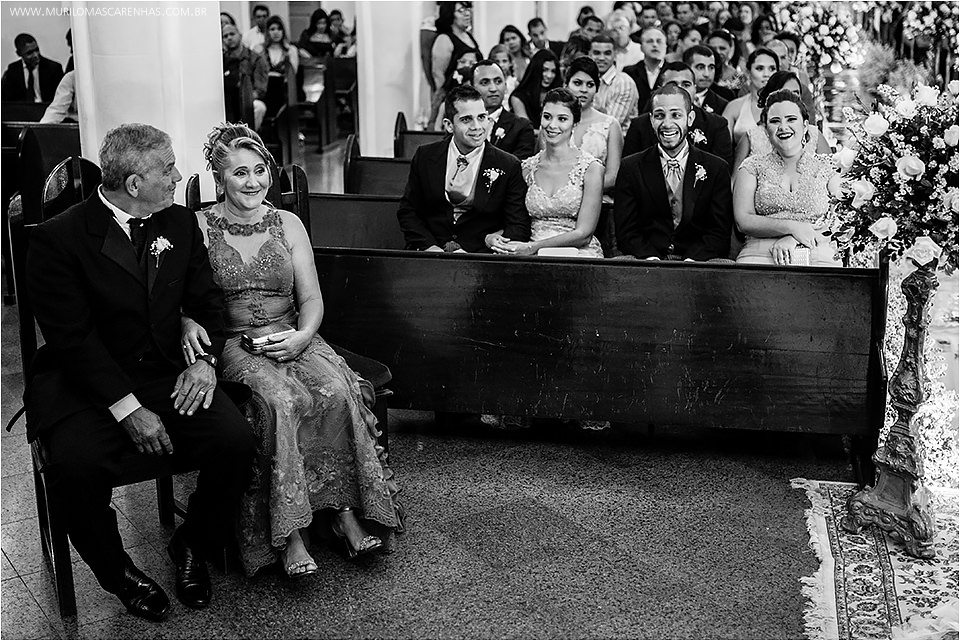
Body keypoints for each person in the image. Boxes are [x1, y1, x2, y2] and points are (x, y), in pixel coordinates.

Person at [24, 123, 255, 621]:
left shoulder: (179, 223)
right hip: (87, 383)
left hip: (165, 370)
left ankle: (193, 541)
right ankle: (118, 572)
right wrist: (128, 410)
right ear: (133, 184)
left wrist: (205, 361)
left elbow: (206, 299)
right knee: (74, 468)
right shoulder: (57, 239)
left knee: (235, 440)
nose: (177, 176)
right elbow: (73, 340)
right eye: (167, 168)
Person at [181, 124, 404, 577]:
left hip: (293, 332)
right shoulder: (199, 226)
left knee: (335, 393)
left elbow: (312, 299)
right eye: (239, 173)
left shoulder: (289, 222)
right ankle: (291, 534)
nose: (253, 182)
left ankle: (342, 514)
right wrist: (186, 320)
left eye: (260, 170)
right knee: (281, 402)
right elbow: (180, 295)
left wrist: (303, 336)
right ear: (218, 178)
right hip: (234, 341)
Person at [397, 85, 530, 253]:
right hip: (429, 253)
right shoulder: (426, 156)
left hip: (482, 259)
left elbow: (518, 226)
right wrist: (430, 248)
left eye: (481, 117)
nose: (477, 126)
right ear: (449, 125)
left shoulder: (508, 165)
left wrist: (485, 249)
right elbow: (408, 212)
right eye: (466, 120)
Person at [614, 83, 733, 261]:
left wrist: (691, 262)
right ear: (651, 120)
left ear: (690, 118)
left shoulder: (716, 168)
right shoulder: (630, 168)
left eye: (676, 115)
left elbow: (719, 232)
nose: (667, 124)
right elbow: (626, 231)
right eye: (659, 116)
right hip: (646, 261)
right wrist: (650, 259)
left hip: (698, 261)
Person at [489, 88, 603, 258]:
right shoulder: (526, 168)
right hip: (531, 252)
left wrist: (532, 247)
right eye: (547, 117)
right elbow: (517, 222)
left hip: (577, 254)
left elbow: (583, 234)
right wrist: (492, 237)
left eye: (562, 119)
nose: (552, 125)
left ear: (575, 124)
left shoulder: (591, 169)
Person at [733, 90, 840, 266]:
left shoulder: (826, 167)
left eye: (791, 119)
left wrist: (794, 239)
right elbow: (743, 220)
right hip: (760, 255)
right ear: (766, 131)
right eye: (775, 121)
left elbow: (843, 219)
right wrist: (792, 227)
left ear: (805, 126)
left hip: (818, 252)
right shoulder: (752, 167)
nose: (783, 127)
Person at [623, 61, 732, 166]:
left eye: (686, 84)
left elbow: (720, 172)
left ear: (695, 88)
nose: (680, 89)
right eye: (672, 84)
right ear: (660, 89)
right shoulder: (639, 125)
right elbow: (630, 169)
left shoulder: (716, 125)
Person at [732, 70, 829, 169]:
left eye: (796, 94)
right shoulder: (751, 137)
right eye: (785, 94)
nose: (791, 99)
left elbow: (831, 174)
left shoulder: (814, 135)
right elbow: (734, 180)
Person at [565, 55, 623, 196]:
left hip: (598, 200)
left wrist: (577, 192)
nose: (584, 90)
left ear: (597, 89)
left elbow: (613, 177)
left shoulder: (610, 125)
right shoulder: (553, 123)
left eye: (590, 84)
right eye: (577, 83)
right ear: (566, 85)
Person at [429, 2, 481, 131]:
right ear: (450, 14)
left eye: (468, 9)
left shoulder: (469, 37)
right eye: (461, 10)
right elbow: (438, 76)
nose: (467, 13)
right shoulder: (444, 39)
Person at [471, 59, 536, 160]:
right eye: (485, 82)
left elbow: (518, 168)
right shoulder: (461, 123)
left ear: (505, 86)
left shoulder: (521, 127)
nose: (493, 88)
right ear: (471, 88)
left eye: (498, 81)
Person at [721, 47, 778, 149]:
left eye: (772, 69)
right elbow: (723, 149)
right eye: (760, 68)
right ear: (748, 72)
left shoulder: (789, 106)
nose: (766, 74)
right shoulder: (734, 107)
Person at [222, 23, 268, 131]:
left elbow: (260, 89)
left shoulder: (255, 58)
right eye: (225, 36)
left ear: (240, 35)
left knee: (259, 107)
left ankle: (247, 135)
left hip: (248, 99)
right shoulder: (221, 60)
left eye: (232, 34)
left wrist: (245, 98)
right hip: (227, 100)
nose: (229, 38)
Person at [590, 34, 639, 133]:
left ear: (615, 54)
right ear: (589, 54)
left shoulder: (624, 82)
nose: (602, 58)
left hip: (618, 144)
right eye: (596, 53)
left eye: (607, 53)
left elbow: (607, 125)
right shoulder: (586, 80)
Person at [255, 16, 299, 119]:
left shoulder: (291, 50)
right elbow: (257, 73)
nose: (276, 32)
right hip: (264, 89)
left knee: (276, 82)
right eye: (272, 29)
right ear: (267, 32)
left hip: (284, 89)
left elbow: (293, 73)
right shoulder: (259, 49)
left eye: (279, 29)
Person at [1, 33, 64, 102]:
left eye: (37, 50)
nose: (36, 55)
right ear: (19, 53)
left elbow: (62, 97)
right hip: (23, 110)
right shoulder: (13, 69)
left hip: (47, 109)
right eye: (30, 53)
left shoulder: (54, 68)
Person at [509, 48, 560, 126]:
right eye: (544, 70)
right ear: (536, 70)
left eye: (553, 71)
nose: (549, 76)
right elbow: (526, 128)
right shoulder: (518, 98)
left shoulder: (558, 96)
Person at [622, 26, 666, 114]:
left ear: (666, 46)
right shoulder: (629, 72)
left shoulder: (673, 71)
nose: (655, 45)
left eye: (659, 41)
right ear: (641, 47)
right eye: (650, 41)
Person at [683, 44, 728, 113]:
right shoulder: (671, 97)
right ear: (687, 68)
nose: (707, 74)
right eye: (700, 67)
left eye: (711, 68)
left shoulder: (723, 105)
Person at [705, 28, 742, 99]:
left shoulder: (737, 76)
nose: (718, 52)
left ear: (730, 48)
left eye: (722, 48)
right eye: (713, 48)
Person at [488, 44, 518, 109]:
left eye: (504, 61)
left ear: (510, 63)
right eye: (497, 61)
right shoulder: (488, 83)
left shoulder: (514, 83)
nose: (501, 65)